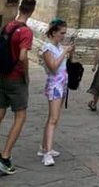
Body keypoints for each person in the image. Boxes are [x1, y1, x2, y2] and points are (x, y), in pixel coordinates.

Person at [0, 0, 37, 175]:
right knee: (20, 116)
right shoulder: (26, 32)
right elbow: (23, 56)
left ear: (20, 8)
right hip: (16, 78)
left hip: (4, 76)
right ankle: (6, 157)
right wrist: (26, 75)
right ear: (32, 11)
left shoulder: (8, 26)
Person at [39, 19, 73, 166]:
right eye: (61, 33)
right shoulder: (47, 48)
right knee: (53, 119)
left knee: (53, 118)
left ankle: (44, 147)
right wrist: (64, 52)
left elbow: (65, 64)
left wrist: (69, 52)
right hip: (54, 85)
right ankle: (47, 153)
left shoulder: (58, 47)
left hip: (62, 84)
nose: (63, 36)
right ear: (53, 33)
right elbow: (53, 66)